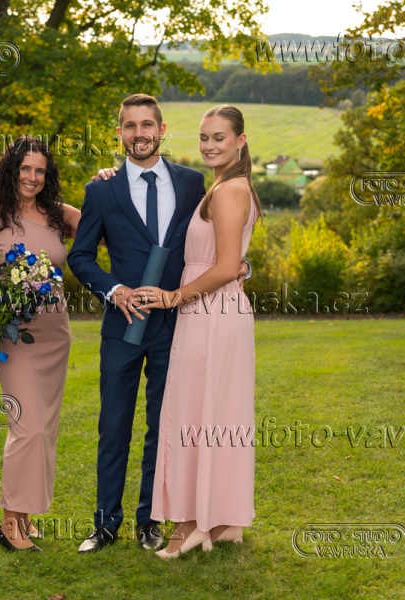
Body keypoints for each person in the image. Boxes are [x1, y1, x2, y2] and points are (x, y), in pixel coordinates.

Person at [67, 93, 207, 554]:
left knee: (162, 429)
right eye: (130, 126)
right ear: (120, 133)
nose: (139, 133)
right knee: (113, 427)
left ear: (161, 130)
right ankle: (105, 523)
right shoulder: (101, 190)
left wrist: (237, 265)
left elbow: (208, 241)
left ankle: (150, 520)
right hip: (122, 327)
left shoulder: (191, 183)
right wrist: (114, 290)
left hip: (174, 326)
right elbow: (80, 256)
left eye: (147, 125)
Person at [135, 104, 260, 557]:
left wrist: (173, 297)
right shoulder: (226, 187)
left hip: (211, 314)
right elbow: (233, 261)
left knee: (195, 414)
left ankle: (191, 524)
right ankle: (222, 520)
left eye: (219, 137)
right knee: (215, 416)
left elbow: (225, 266)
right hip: (214, 312)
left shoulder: (229, 191)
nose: (209, 145)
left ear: (240, 141)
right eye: (204, 137)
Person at [0, 135, 80, 552]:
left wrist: (109, 178)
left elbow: (111, 227)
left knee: (43, 428)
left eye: (40, 171)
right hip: (12, 336)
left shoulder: (59, 216)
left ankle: (26, 515)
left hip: (54, 336)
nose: (32, 177)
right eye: (25, 168)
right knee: (27, 426)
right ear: (11, 171)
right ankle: (9, 523)